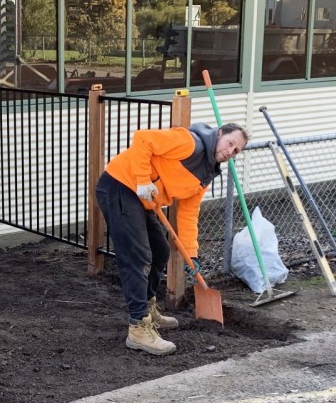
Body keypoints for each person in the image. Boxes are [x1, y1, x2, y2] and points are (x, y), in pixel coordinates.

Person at [96, 122, 249, 356]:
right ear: (219, 134)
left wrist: (191, 252)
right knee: (137, 256)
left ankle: (147, 307)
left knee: (160, 251)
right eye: (230, 143)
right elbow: (143, 139)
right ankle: (138, 327)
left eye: (236, 150)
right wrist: (142, 179)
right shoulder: (189, 143)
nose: (230, 151)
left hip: (143, 199)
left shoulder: (206, 174)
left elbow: (188, 214)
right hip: (120, 185)